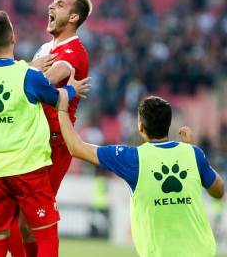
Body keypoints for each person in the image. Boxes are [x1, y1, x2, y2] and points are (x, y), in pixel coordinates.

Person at [0, 10, 90, 257]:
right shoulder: (28, 75)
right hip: (28, 169)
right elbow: (58, 99)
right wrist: (72, 89)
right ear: (13, 39)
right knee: (46, 235)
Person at [57, 93, 225, 257]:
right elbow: (219, 191)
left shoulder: (132, 159)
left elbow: (76, 147)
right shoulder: (192, 153)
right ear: (169, 124)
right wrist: (192, 153)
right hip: (203, 252)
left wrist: (62, 109)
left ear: (140, 126)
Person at [14, 0, 93, 256]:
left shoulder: (74, 52)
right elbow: (29, 80)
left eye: (59, 4)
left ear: (73, 17)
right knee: (18, 219)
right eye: (53, 1)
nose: (51, 6)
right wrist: (28, 69)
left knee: (36, 218)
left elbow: (44, 82)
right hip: (32, 137)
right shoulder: (46, 47)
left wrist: (25, 70)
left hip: (54, 141)